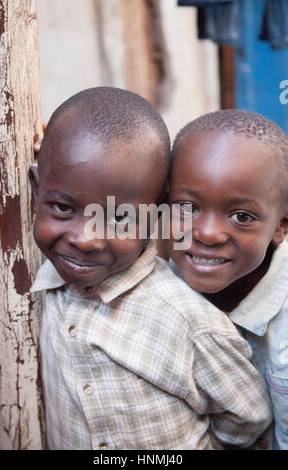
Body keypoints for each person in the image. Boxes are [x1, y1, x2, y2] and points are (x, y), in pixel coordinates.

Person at [30, 88, 272, 450]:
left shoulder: (189, 323)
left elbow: (247, 420)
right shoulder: (29, 276)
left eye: (120, 218)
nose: (85, 238)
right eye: (64, 208)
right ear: (36, 190)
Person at [164, 109, 288, 450]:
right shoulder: (152, 276)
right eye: (187, 207)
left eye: (241, 216)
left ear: (281, 226)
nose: (207, 234)